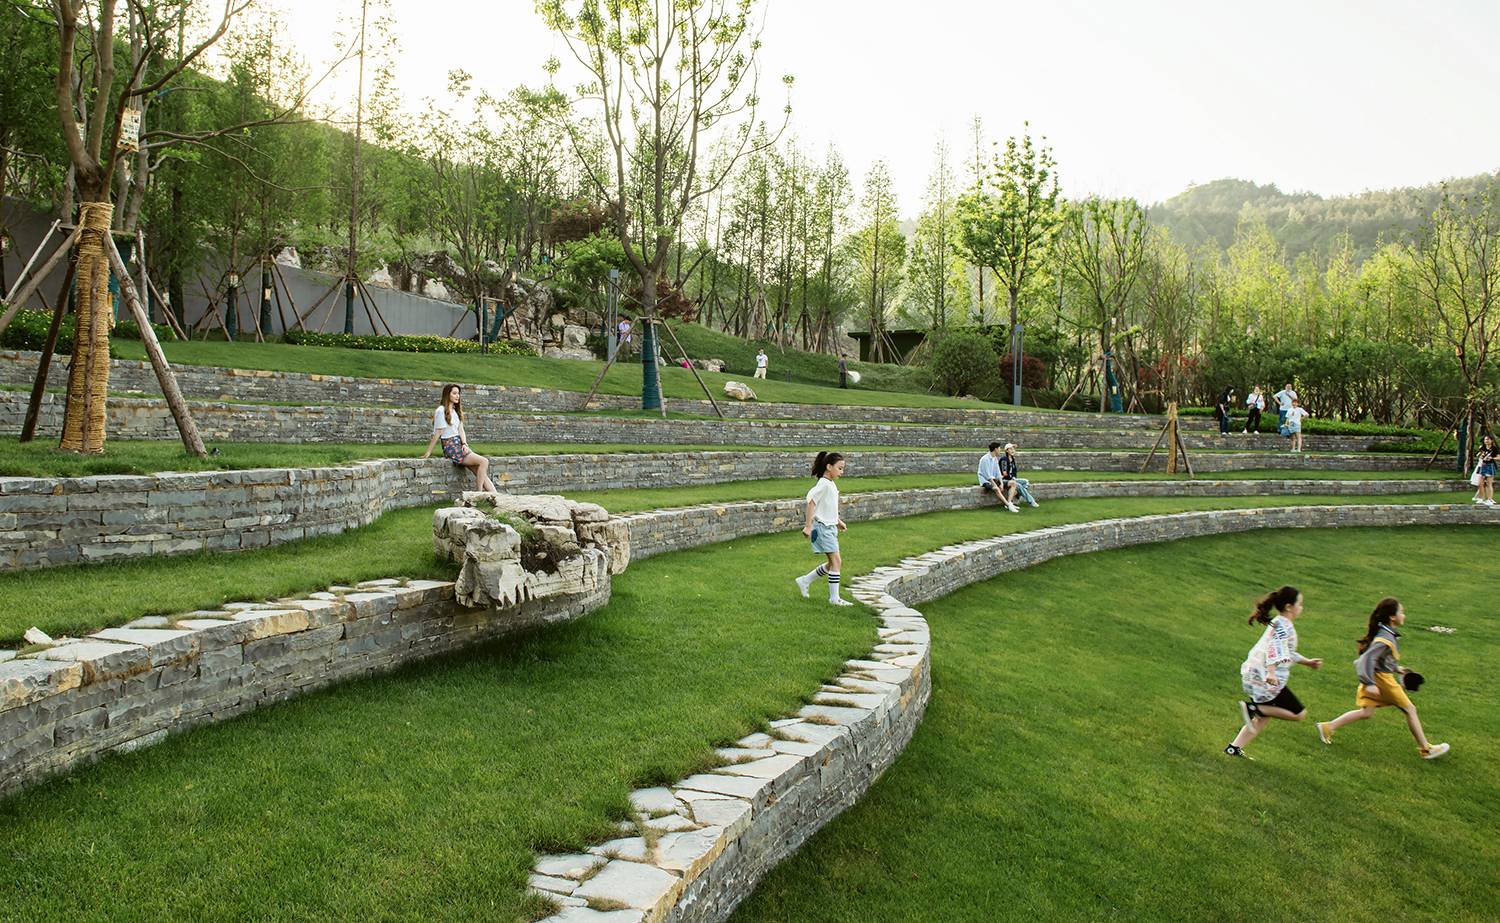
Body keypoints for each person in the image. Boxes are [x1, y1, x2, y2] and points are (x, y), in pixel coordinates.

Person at [1315, 597, 1449, 760]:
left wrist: (1396, 668)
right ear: (1393, 617)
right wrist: (1369, 683)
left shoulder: (1386, 633)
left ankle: (1327, 727)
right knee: (1410, 709)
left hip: (1379, 677)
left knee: (1367, 712)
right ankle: (1426, 749)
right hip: (1382, 681)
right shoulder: (1384, 638)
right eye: (1402, 612)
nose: (1404, 615)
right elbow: (1365, 661)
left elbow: (1380, 660)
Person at [1225, 585, 1323, 759]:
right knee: (1299, 714)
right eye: (1299, 604)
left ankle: (1234, 748)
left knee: (1264, 716)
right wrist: (1271, 672)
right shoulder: (1284, 626)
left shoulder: (1279, 622)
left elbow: (1287, 652)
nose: (1301, 608)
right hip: (1266, 680)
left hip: (1254, 675)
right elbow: (1274, 648)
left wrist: (1307, 662)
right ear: (1289, 607)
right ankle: (1253, 708)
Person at [795, 451, 853, 606]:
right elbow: (811, 502)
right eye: (840, 468)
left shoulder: (830, 484)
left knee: (831, 563)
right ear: (829, 467)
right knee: (836, 561)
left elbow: (827, 506)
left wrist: (837, 521)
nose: (842, 472)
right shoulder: (823, 484)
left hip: (829, 527)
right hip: (822, 528)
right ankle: (834, 599)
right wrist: (808, 526)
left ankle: (804, 580)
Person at [421, 383, 496, 493]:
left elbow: (461, 430)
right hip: (451, 447)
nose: (457, 396)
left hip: (459, 445)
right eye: (454, 393)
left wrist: (465, 444)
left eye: (458, 394)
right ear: (448, 395)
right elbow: (438, 432)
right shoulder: (441, 410)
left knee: (479, 471)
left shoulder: (456, 411)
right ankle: (478, 494)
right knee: (484, 461)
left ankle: (497, 497)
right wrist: (428, 452)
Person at [977, 441, 1021, 512]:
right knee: (996, 489)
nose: (1000, 450)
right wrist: (996, 485)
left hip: (994, 479)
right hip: (985, 481)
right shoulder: (985, 459)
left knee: (1013, 483)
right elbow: (988, 476)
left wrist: (1002, 483)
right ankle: (1008, 506)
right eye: (999, 448)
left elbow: (998, 472)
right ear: (995, 449)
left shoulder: (994, 458)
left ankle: (1010, 502)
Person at [1001, 442, 1038, 508]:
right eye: (1011, 449)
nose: (1013, 450)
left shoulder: (1012, 459)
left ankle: (1017, 494)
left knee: (1026, 481)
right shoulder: (1004, 460)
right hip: (1005, 480)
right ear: (1006, 450)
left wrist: (1014, 478)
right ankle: (1031, 501)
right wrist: (1013, 479)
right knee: (1019, 485)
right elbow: (1004, 473)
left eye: (1013, 449)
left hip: (1012, 479)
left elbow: (1014, 472)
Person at [1475, 434, 1497, 507]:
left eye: (1488, 439)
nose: (1486, 441)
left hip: (1490, 466)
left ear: (1491, 440)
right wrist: (1480, 455)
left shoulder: (1494, 449)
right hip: (1483, 465)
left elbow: (1498, 457)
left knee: (1489, 483)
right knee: (1480, 483)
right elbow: (1479, 455)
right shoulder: (1482, 448)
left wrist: (1491, 458)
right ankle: (1481, 498)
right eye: (1485, 439)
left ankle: (1490, 499)